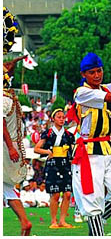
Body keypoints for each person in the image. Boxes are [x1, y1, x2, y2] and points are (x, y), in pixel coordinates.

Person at [72, 53, 111, 236]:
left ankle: (97, 223)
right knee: (93, 199)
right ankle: (97, 231)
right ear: (84, 75)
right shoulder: (82, 93)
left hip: (108, 148)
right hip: (89, 151)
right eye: (92, 72)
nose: (97, 75)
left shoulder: (106, 87)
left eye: (99, 71)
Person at [3, 19, 32, 235]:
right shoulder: (7, 96)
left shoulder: (5, 97)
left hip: (5, 145)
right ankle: (24, 221)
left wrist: (11, 147)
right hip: (7, 145)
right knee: (6, 187)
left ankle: (24, 221)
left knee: (6, 187)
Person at [34, 108, 75, 228]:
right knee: (55, 193)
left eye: (63, 117)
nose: (62, 119)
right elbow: (37, 148)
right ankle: (53, 221)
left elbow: (73, 150)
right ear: (53, 119)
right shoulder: (47, 133)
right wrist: (47, 152)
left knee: (67, 193)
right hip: (53, 164)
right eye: (59, 117)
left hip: (65, 164)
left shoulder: (68, 135)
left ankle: (62, 220)